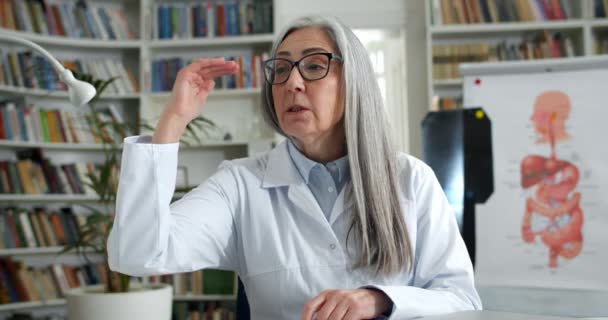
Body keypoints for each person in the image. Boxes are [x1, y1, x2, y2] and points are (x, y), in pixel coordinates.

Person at [108, 16, 482, 320]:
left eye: (315, 66)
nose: (293, 83)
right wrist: (173, 120)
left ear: (354, 83)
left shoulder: (411, 180)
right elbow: (138, 254)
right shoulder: (239, 185)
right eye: (281, 69)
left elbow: (462, 299)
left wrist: (379, 300)